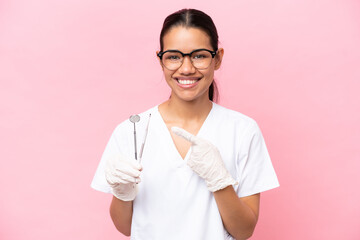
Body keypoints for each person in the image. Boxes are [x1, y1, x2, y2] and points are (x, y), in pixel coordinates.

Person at [91, 8, 279, 240]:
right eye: (174, 56)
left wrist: (219, 180)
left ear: (217, 58)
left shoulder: (242, 130)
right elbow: (125, 228)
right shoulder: (132, 131)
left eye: (199, 55)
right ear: (160, 59)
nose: (187, 68)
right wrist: (122, 192)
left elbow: (244, 231)